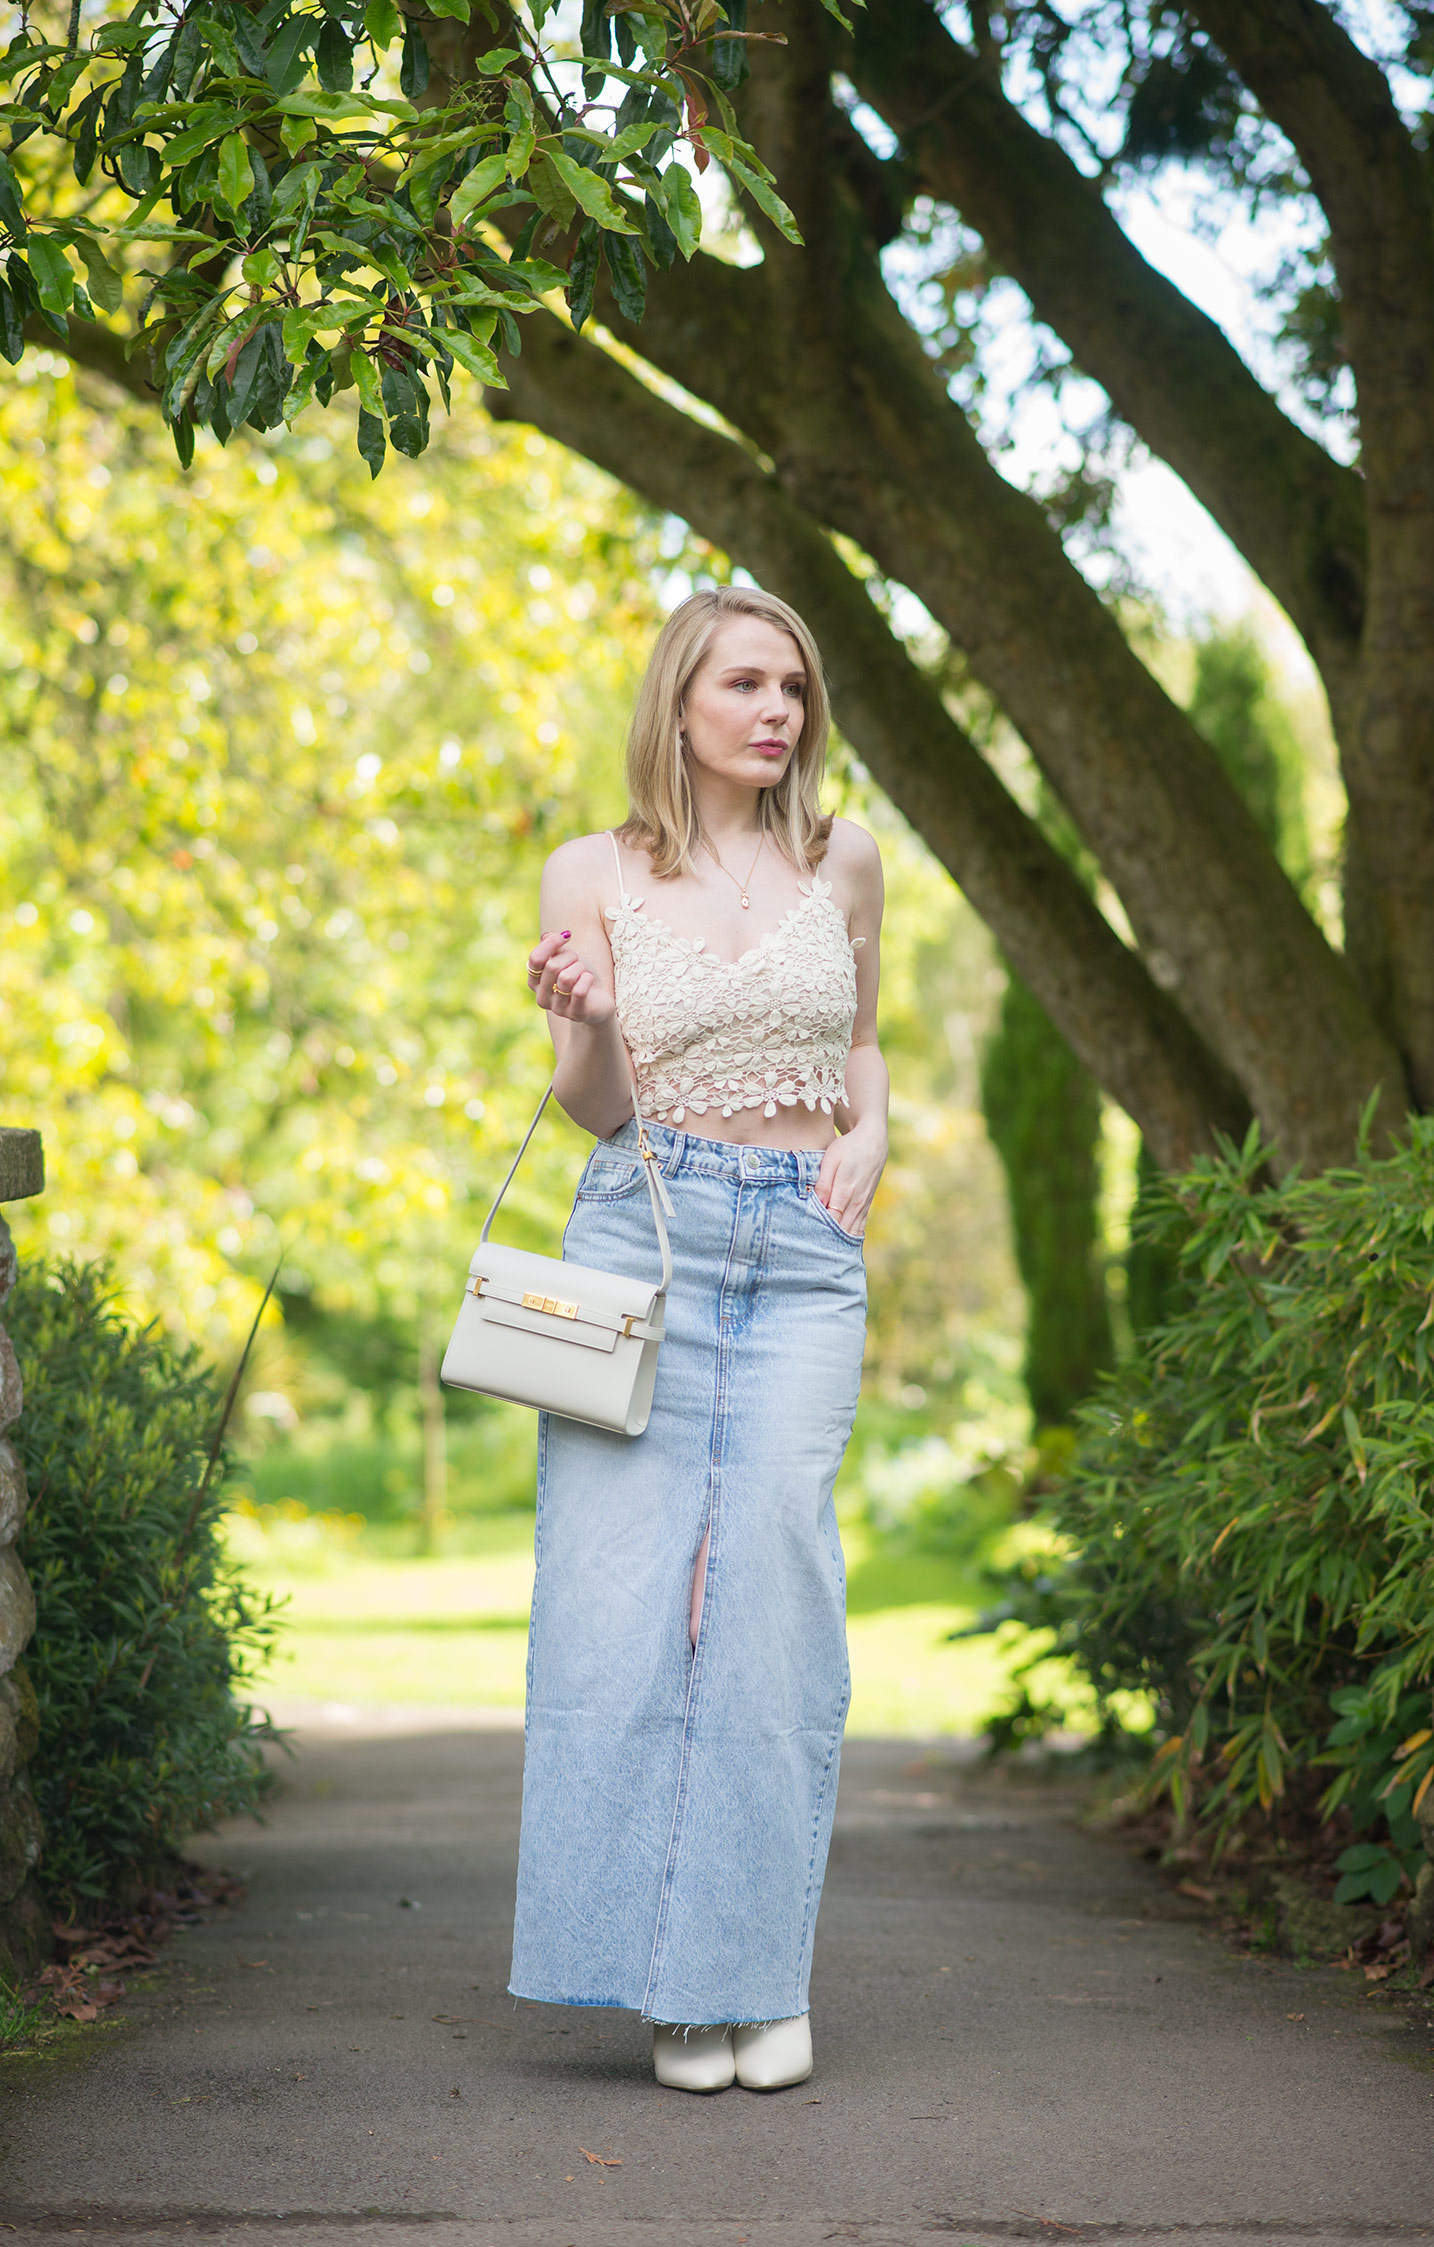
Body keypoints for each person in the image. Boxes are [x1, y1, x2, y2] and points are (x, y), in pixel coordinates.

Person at [510, 584, 888, 2094]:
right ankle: (674, 1988)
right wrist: (588, 1014)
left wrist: (877, 1132)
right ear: (681, 703)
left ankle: (755, 1976)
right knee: (622, 1609)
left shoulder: (842, 856)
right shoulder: (588, 868)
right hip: (642, 1236)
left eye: (791, 686)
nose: (776, 711)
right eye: (745, 684)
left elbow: (862, 1041)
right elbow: (591, 1102)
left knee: (775, 1601)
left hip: (803, 1254)